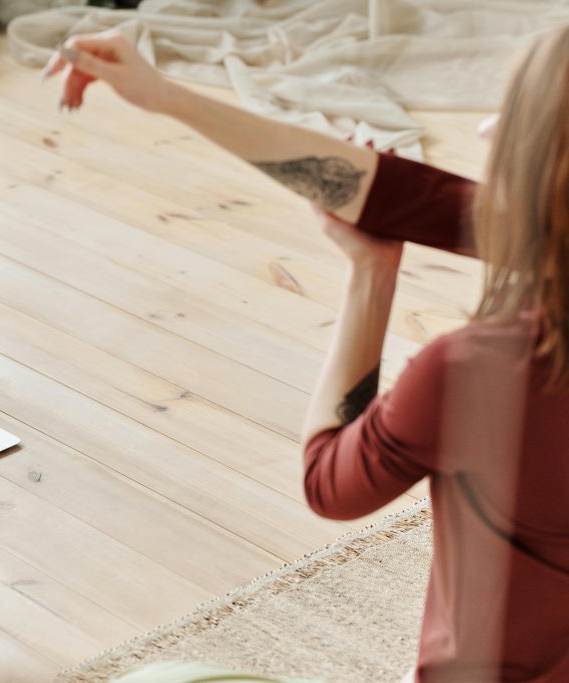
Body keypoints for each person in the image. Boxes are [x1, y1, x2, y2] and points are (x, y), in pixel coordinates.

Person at [44, 24, 569, 683]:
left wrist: (370, 278)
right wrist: (164, 95)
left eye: (516, 119)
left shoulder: (478, 373)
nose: (488, 131)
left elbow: (332, 483)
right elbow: (395, 193)